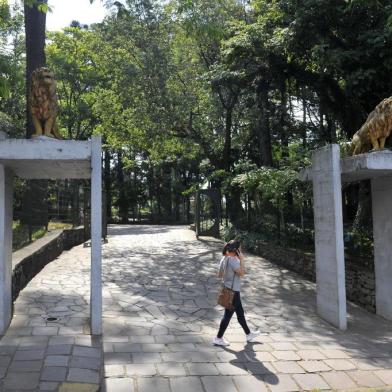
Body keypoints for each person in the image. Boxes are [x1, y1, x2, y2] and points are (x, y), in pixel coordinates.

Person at [213, 239, 261, 346]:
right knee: (228, 316)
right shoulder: (233, 260)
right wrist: (242, 260)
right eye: (240, 248)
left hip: (228, 289)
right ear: (237, 250)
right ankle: (218, 338)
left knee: (240, 314)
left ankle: (248, 334)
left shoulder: (224, 258)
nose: (241, 250)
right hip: (233, 292)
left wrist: (228, 277)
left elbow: (220, 275)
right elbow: (242, 273)